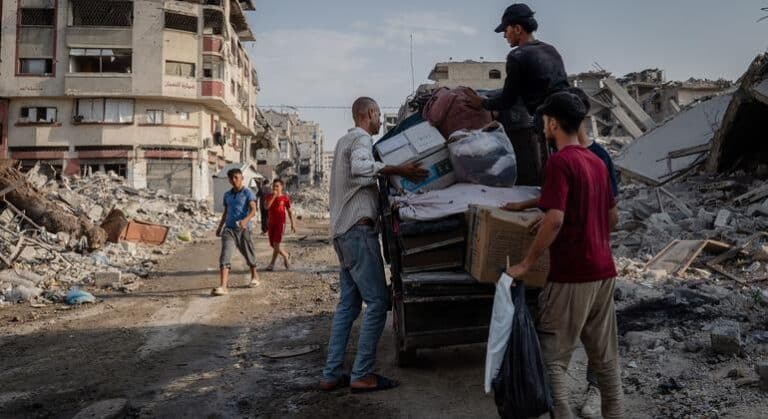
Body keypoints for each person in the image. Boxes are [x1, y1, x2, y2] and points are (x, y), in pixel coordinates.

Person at [506, 92, 624, 418]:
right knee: (606, 362)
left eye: (544, 121)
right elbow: (613, 218)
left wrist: (526, 263)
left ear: (553, 123)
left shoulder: (559, 162)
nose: (544, 126)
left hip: (572, 273)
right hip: (604, 272)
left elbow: (555, 218)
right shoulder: (598, 162)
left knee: (551, 361)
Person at [320, 97, 427, 394]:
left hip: (343, 236)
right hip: (357, 233)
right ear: (368, 114)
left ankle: (331, 373)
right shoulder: (361, 140)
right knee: (379, 302)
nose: (381, 120)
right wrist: (400, 170)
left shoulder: (343, 141)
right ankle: (362, 374)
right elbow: (361, 168)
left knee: (348, 306)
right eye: (379, 114)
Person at [468, 3, 570, 185]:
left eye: (506, 30)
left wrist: (482, 103)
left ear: (517, 28)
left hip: (548, 121)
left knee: (552, 173)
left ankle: (551, 207)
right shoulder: (550, 49)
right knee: (569, 167)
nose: (504, 35)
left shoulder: (518, 56)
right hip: (569, 116)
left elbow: (508, 99)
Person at [213, 168, 261, 296]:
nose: (234, 180)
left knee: (248, 254)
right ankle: (223, 286)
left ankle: (254, 276)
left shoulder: (248, 193)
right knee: (225, 255)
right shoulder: (227, 195)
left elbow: (253, 210)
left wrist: (245, 220)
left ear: (241, 178)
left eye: (236, 178)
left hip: (244, 230)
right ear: (229, 180)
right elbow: (226, 212)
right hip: (229, 230)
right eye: (232, 178)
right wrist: (220, 227)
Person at [265, 179, 296, 271]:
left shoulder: (285, 198)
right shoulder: (269, 196)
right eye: (273, 186)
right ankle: (286, 255)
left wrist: (293, 223)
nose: (275, 188)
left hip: (280, 223)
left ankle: (272, 264)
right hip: (271, 223)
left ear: (282, 187)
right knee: (273, 244)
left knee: (276, 244)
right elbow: (267, 207)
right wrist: (274, 197)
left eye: (277, 186)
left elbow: (289, 211)